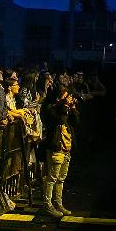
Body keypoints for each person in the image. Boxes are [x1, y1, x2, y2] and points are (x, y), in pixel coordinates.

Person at [40, 87, 78, 218]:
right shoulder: (51, 109)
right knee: (52, 177)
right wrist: (63, 106)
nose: (70, 99)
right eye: (66, 97)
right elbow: (59, 120)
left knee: (61, 178)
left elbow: (76, 122)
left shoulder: (65, 110)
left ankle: (58, 203)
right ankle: (47, 204)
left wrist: (72, 109)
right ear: (59, 98)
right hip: (56, 147)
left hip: (66, 148)